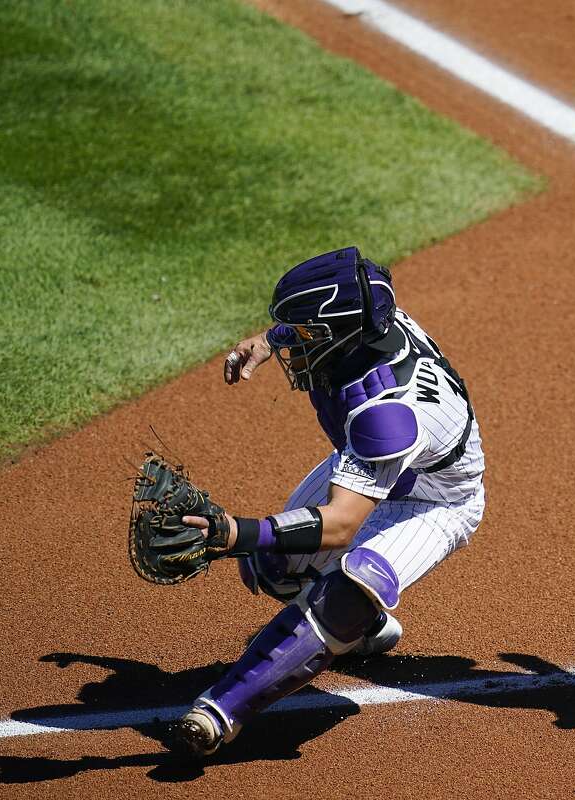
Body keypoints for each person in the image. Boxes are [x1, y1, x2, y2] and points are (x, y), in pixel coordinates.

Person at [170, 246, 485, 756]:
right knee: (271, 567)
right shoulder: (368, 323)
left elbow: (339, 525)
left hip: (434, 499)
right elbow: (326, 324)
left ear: (335, 336)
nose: (293, 346)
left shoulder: (384, 414)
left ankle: (223, 710)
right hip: (375, 464)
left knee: (352, 581)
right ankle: (367, 632)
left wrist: (235, 533)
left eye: (299, 336)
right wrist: (268, 340)